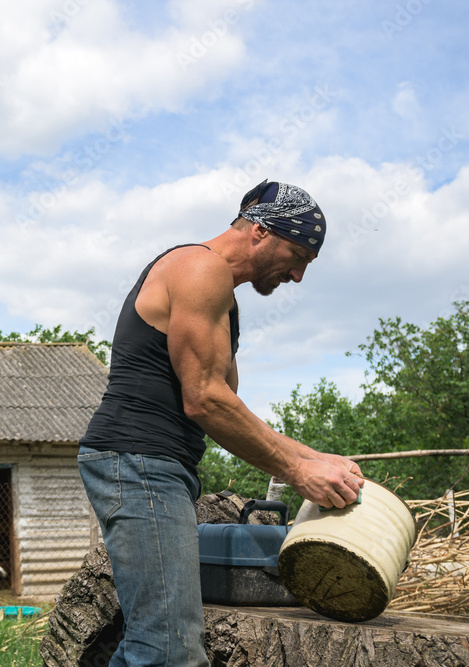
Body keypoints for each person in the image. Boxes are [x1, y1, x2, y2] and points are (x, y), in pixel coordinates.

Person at [78, 180, 365, 666]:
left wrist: (316, 458)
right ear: (259, 231)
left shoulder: (223, 301)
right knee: (167, 650)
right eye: (297, 255)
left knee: (157, 641)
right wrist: (298, 473)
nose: (297, 275)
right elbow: (205, 401)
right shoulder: (198, 267)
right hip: (139, 462)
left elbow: (227, 406)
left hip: (157, 466)